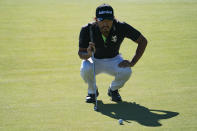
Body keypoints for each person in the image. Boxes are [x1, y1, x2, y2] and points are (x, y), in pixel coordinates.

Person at [78, 4, 148, 103]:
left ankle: (113, 90)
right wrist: (88, 54)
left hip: (114, 59)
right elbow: (81, 53)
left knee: (127, 70)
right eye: (102, 20)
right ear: (96, 19)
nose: (106, 24)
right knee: (85, 67)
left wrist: (133, 62)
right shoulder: (87, 29)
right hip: (94, 59)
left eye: (109, 20)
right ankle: (92, 92)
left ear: (114, 19)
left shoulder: (121, 26)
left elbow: (143, 41)